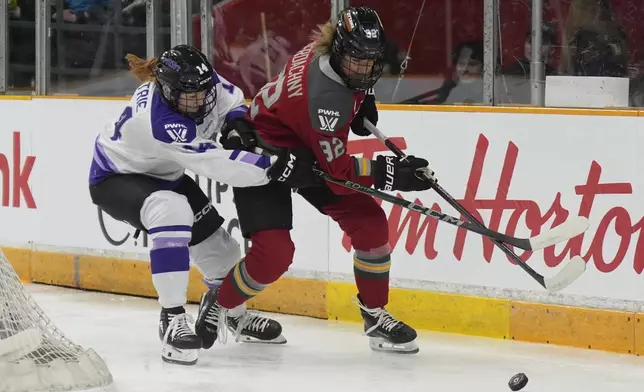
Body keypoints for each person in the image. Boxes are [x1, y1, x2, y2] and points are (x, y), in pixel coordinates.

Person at [194, 7, 436, 354]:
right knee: (274, 255)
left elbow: (331, 133)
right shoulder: (327, 101)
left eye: (370, 62)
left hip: (306, 146)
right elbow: (339, 177)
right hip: (265, 154)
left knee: (370, 226)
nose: (363, 70)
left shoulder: (324, 52)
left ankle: (374, 314)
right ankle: (222, 300)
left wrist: (363, 98)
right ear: (339, 51)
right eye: (355, 61)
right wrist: (391, 172)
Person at [88, 44, 317, 365]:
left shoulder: (198, 82)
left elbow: (231, 98)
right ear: (167, 91)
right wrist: (274, 166)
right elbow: (215, 163)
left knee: (224, 254)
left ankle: (235, 318)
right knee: (171, 209)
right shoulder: (159, 122)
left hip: (163, 172)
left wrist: (236, 121)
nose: (199, 100)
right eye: (189, 96)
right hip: (116, 177)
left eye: (202, 92)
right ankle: (172, 318)